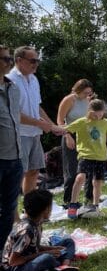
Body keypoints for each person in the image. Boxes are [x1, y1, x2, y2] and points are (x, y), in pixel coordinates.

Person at [7, 46, 65, 194]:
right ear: (19, 60)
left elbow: (37, 107)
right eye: (33, 60)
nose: (36, 64)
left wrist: (52, 126)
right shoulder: (10, 80)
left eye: (38, 61)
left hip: (34, 134)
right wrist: (40, 124)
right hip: (17, 135)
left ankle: (29, 209)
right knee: (16, 175)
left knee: (33, 171)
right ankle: (13, 215)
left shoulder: (34, 80)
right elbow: (13, 113)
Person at [2, 189, 77, 271]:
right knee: (47, 258)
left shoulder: (37, 223)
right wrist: (44, 253)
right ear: (46, 210)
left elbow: (34, 247)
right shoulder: (26, 230)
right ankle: (59, 264)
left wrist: (52, 248)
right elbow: (13, 261)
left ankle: (64, 265)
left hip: (28, 260)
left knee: (68, 241)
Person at [63, 99, 107, 219]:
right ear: (89, 111)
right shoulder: (82, 122)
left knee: (97, 182)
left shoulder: (106, 123)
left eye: (100, 114)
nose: (97, 117)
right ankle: (73, 204)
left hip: (101, 156)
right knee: (80, 177)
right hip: (85, 155)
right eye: (95, 114)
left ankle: (95, 205)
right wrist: (65, 135)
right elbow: (66, 129)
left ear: (104, 111)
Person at [57, 79, 94, 207]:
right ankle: (69, 200)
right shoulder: (69, 100)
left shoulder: (88, 100)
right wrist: (67, 136)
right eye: (85, 93)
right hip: (70, 135)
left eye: (89, 93)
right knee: (71, 170)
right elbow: (60, 121)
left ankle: (89, 198)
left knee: (88, 169)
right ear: (78, 90)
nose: (87, 95)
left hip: (85, 136)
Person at [0, 45, 23, 252]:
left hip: (14, 158)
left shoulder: (13, 88)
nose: (9, 62)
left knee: (8, 211)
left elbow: (16, 119)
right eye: (5, 59)